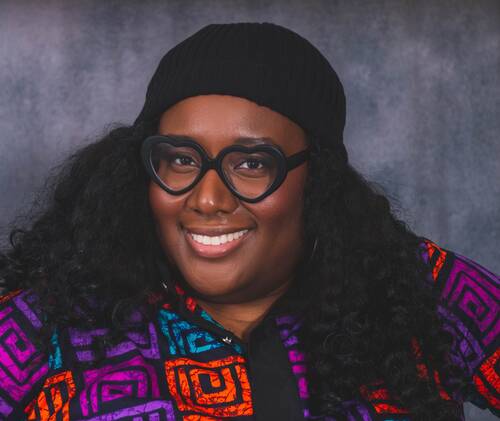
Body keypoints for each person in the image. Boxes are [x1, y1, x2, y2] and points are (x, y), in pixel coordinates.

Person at [0, 22, 498, 421]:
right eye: (180, 159)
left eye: (253, 163)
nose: (209, 198)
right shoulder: (42, 325)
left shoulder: (418, 292)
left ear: (318, 180)